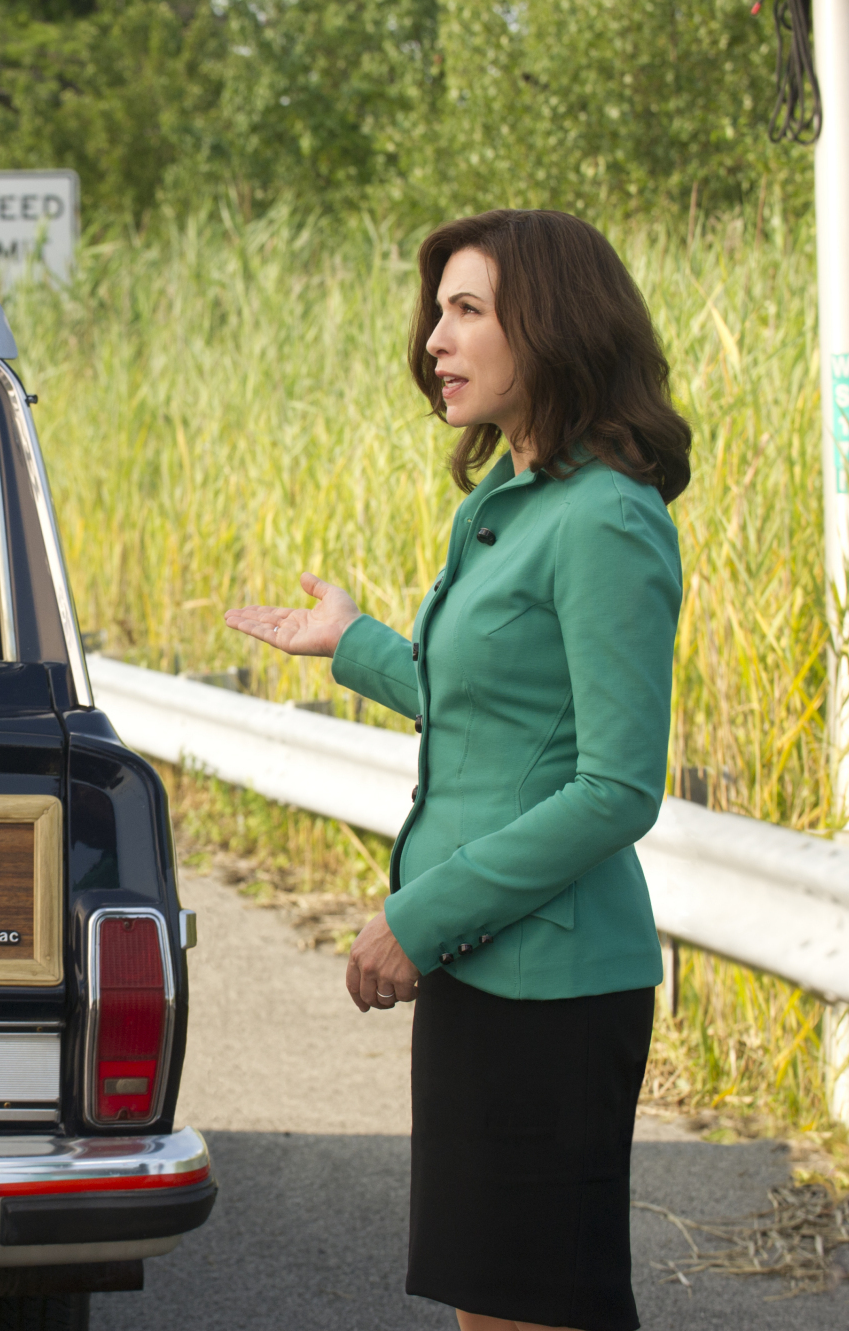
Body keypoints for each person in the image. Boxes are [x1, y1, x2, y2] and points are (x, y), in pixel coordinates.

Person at [226, 209, 690, 1331]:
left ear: (552, 326)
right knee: (492, 1306)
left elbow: (614, 783)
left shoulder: (603, 520)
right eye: (437, 310)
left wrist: (418, 917)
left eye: (466, 309)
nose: (435, 336)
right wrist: (351, 644)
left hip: (555, 986)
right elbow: (494, 709)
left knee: (532, 1309)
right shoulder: (506, 502)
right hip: (491, 972)